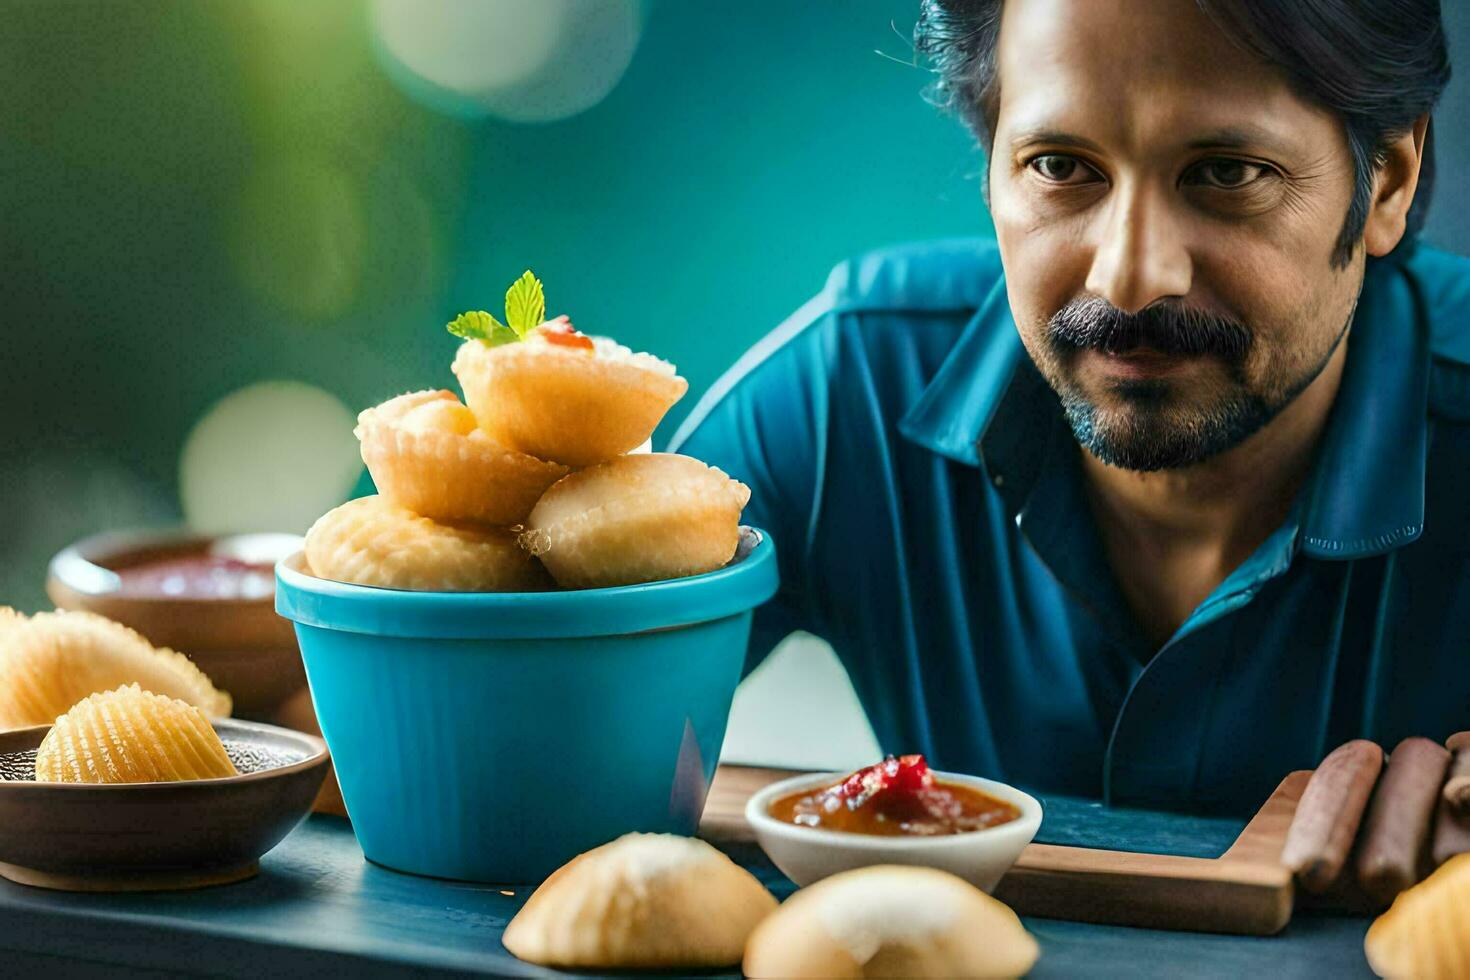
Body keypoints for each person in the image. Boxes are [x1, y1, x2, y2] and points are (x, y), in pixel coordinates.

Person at [670, 0, 1468, 818]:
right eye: (1059, 166)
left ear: (1388, 182)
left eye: (1227, 172)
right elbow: (555, 742)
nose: (1128, 276)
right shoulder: (851, 394)